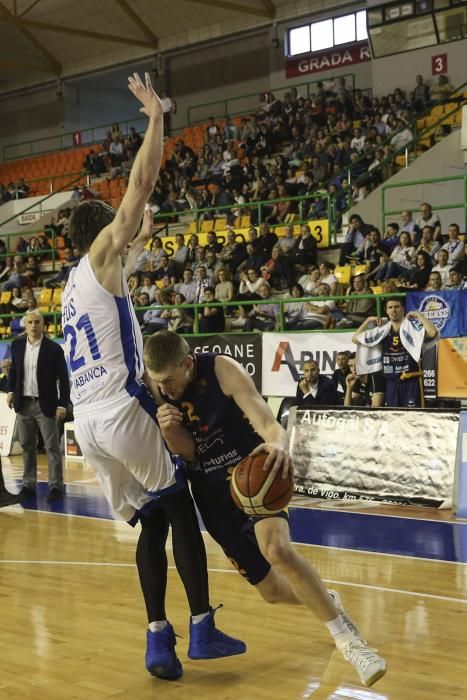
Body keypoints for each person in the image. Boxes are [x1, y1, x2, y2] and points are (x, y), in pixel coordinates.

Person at [62, 73, 244, 681]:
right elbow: (139, 185)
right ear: (101, 236)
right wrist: (156, 119)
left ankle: (157, 639)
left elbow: (132, 242)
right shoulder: (102, 256)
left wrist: (143, 233)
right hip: (120, 405)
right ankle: (202, 628)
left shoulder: (77, 283)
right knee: (183, 507)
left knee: (153, 519)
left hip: (88, 425)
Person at [143, 331, 386, 688]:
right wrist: (169, 431)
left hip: (253, 472)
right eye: (158, 382)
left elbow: (267, 422)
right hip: (211, 492)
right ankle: (323, 597)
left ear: (187, 363)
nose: (165, 388)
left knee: (277, 550)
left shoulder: (223, 369)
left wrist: (280, 445)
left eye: (169, 380)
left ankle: (351, 644)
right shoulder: (159, 386)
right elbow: (189, 453)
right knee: (271, 592)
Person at [7, 310, 69, 502]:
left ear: (43, 325)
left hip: (46, 405)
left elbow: (64, 379)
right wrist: (10, 391)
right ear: (24, 325)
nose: (33, 326)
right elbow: (14, 372)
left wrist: (62, 404)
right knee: (27, 446)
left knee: (52, 447)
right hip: (23, 404)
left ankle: (56, 487)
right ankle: (28, 485)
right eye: (30, 322)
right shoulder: (16, 345)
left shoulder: (54, 349)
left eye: (37, 322)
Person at [352, 298, 438, 408]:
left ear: (403, 309)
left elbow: (432, 332)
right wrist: (368, 320)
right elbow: (355, 339)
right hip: (391, 382)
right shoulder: (382, 331)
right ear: (386, 311)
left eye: (397, 307)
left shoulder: (412, 327)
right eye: (390, 307)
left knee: (413, 419)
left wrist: (419, 315)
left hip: (411, 381)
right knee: (393, 418)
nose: (394, 310)